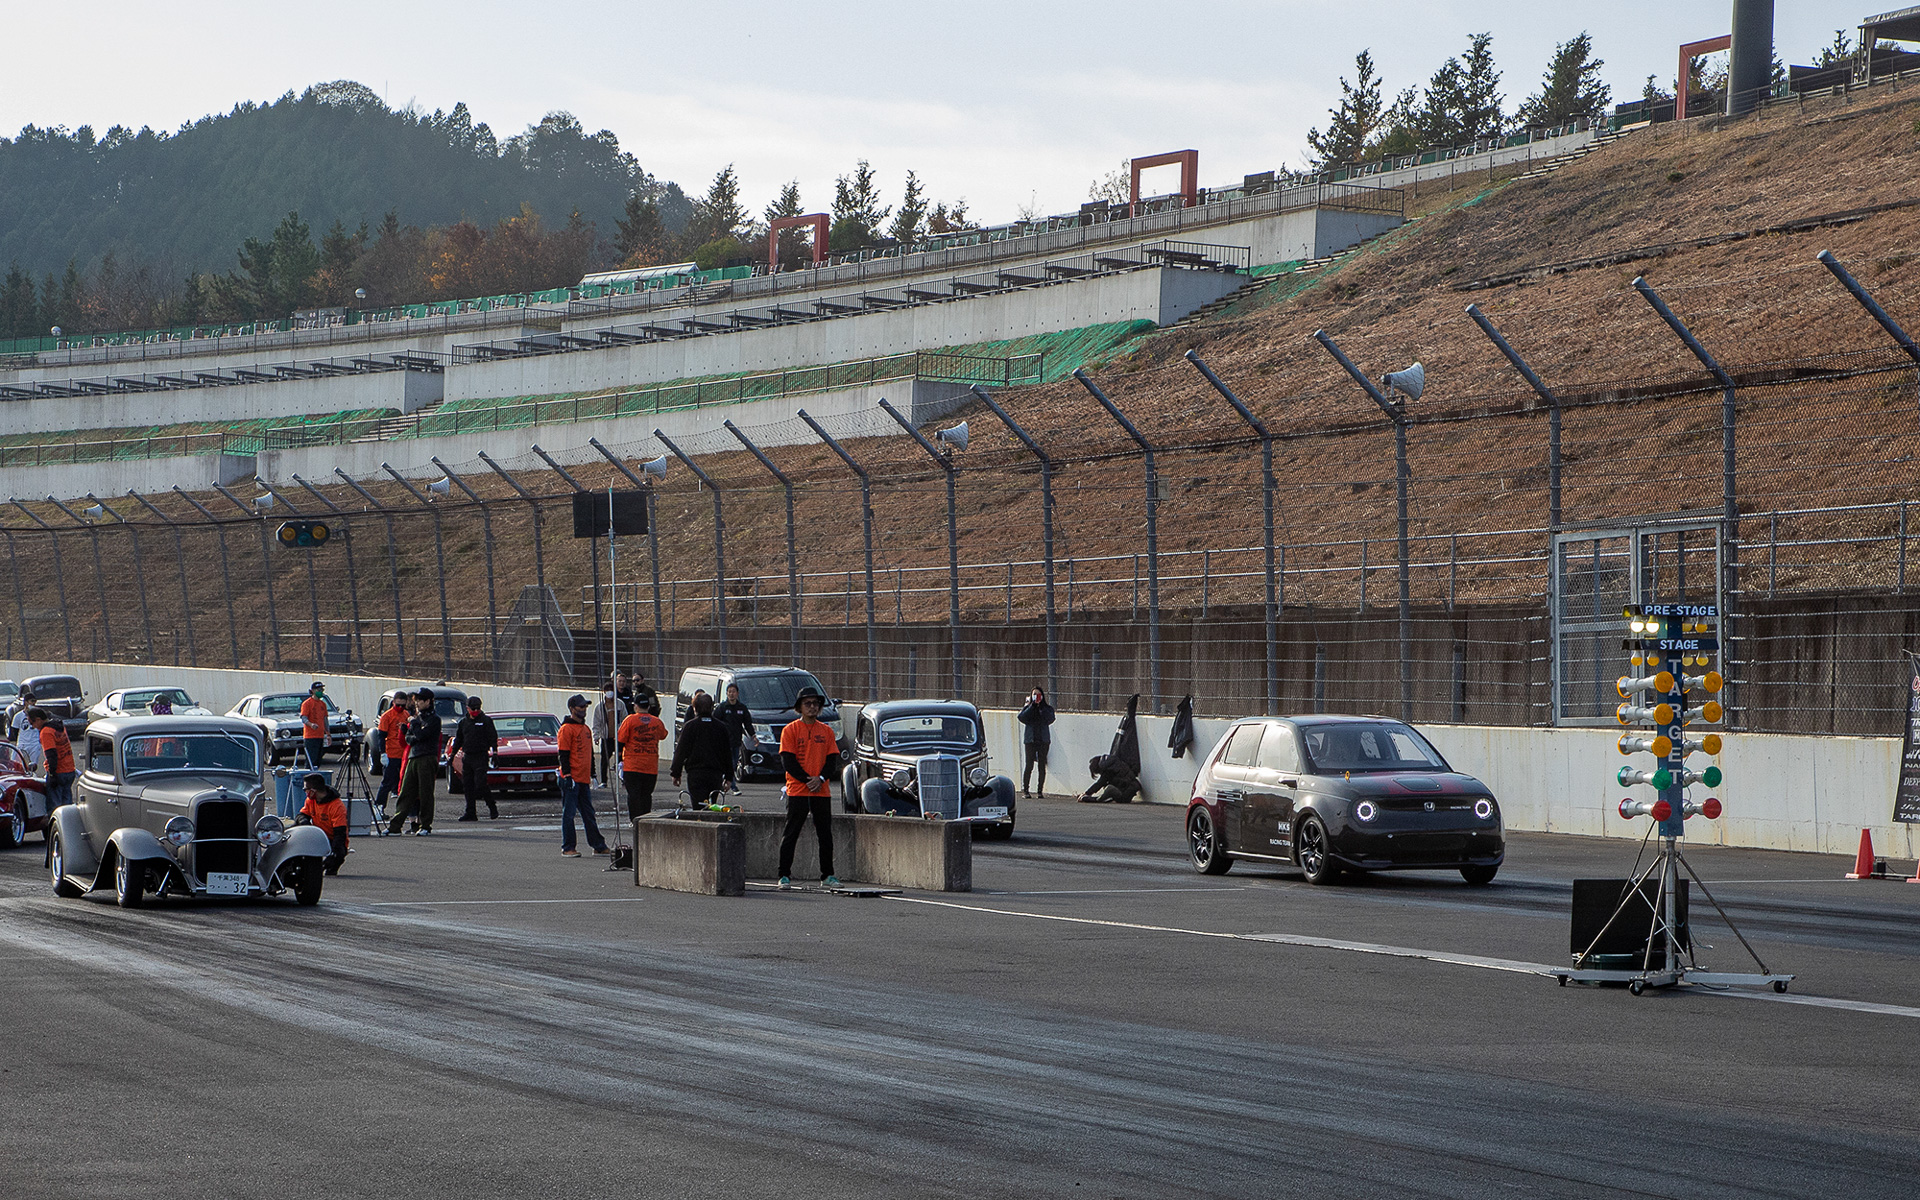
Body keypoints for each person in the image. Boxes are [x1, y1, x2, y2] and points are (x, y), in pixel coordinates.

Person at [777, 687, 842, 891]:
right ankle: (783, 875)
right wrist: (807, 780)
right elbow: (788, 761)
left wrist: (820, 778)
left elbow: (832, 760)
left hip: (821, 790)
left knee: (825, 834)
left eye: (815, 704)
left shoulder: (827, 731)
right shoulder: (790, 730)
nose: (812, 707)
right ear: (800, 707)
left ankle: (828, 874)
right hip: (798, 790)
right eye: (808, 704)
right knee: (791, 833)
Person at [557, 694, 609, 857]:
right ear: (572, 709)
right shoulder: (566, 729)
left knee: (588, 814)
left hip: (583, 779)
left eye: (585, 707)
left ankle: (598, 845)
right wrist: (567, 775)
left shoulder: (585, 729)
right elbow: (563, 754)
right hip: (571, 779)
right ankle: (568, 847)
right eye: (580, 707)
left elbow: (590, 754)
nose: (584, 709)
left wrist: (593, 773)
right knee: (569, 814)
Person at [388, 688, 442, 836]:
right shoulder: (417, 719)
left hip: (427, 757)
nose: (417, 703)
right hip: (414, 756)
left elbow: (421, 735)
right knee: (406, 791)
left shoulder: (434, 719)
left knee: (425, 793)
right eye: (416, 700)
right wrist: (413, 731)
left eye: (420, 700)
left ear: (428, 701)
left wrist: (414, 727)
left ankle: (425, 825)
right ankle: (395, 825)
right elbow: (409, 738)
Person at [669, 693, 733, 809]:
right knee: (711, 805)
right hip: (715, 774)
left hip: (696, 774)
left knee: (698, 806)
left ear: (695, 708)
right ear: (712, 707)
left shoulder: (690, 726)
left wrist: (676, 772)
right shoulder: (721, 727)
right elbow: (727, 753)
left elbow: (681, 751)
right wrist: (729, 777)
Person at [616, 700, 669, 821]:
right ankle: (645, 821)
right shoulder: (656, 721)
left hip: (632, 766)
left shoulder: (630, 720)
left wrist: (619, 760)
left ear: (636, 706)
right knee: (646, 795)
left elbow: (620, 739)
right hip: (650, 767)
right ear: (649, 707)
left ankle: (635, 821)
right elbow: (663, 735)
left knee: (633, 795)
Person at [454, 695, 499, 822]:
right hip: (467, 757)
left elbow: (492, 737)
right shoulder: (463, 722)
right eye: (472, 708)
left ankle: (492, 806)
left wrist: (495, 752)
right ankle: (470, 812)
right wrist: (452, 755)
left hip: (481, 756)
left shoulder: (486, 721)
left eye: (477, 708)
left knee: (480, 783)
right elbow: (459, 740)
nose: (475, 710)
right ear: (467, 709)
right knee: (467, 786)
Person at [296, 774, 350, 875]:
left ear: (313, 791)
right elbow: (301, 815)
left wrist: (333, 853)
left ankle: (331, 867)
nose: (305, 792)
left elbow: (340, 833)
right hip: (317, 836)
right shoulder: (310, 801)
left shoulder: (337, 806)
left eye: (306, 789)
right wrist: (305, 823)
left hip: (332, 838)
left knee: (337, 854)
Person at [27, 708, 75, 812]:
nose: (32, 726)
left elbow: (51, 754)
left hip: (59, 772)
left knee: (55, 807)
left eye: (32, 722)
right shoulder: (59, 726)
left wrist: (52, 774)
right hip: (70, 770)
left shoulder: (46, 732)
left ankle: (55, 827)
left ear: (39, 719)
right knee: (67, 806)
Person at [372, 697, 409, 821]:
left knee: (405, 783)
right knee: (387, 782)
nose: (400, 707)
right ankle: (378, 807)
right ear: (393, 703)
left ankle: (406, 810)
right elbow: (381, 736)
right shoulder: (387, 716)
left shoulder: (406, 714)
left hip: (403, 754)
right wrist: (383, 753)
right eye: (398, 704)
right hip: (391, 753)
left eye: (403, 705)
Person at [590, 679, 631, 790]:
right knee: (604, 760)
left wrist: (624, 732)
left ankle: (623, 779)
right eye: (607, 690)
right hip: (606, 737)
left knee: (621, 760)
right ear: (604, 692)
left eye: (611, 690)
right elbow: (596, 722)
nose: (609, 693)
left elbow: (625, 719)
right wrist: (596, 736)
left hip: (618, 737)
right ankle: (604, 781)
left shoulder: (620, 704)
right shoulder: (600, 707)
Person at [714, 683, 754, 795]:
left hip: (736, 741)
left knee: (734, 763)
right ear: (726, 693)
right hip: (723, 742)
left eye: (733, 692)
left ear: (737, 694)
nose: (731, 694)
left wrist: (753, 736)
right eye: (729, 692)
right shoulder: (722, 707)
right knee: (728, 764)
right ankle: (733, 786)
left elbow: (748, 724)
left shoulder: (742, 708)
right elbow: (715, 722)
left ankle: (725, 783)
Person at [1017, 686, 1055, 799]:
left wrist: (1041, 708)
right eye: (1034, 695)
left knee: (1041, 765)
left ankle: (1039, 790)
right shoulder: (1028, 707)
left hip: (1043, 740)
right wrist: (1032, 706)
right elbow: (1021, 717)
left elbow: (1050, 719)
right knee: (1029, 765)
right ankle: (1026, 790)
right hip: (1030, 739)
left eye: (1038, 695)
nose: (1037, 697)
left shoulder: (1047, 708)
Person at [299, 681, 330, 767]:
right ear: (313, 691)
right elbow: (303, 718)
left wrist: (328, 734)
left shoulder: (323, 704)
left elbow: (325, 719)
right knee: (311, 760)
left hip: (320, 736)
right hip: (310, 737)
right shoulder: (307, 703)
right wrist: (311, 724)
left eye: (322, 690)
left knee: (318, 760)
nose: (321, 691)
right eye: (319, 689)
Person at [10, 687, 40, 770]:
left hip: (34, 743)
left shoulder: (38, 714)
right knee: (16, 765)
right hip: (22, 744)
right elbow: (14, 731)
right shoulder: (18, 716)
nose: (33, 703)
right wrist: (19, 741)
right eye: (31, 701)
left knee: (32, 766)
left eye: (35, 701)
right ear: (26, 702)